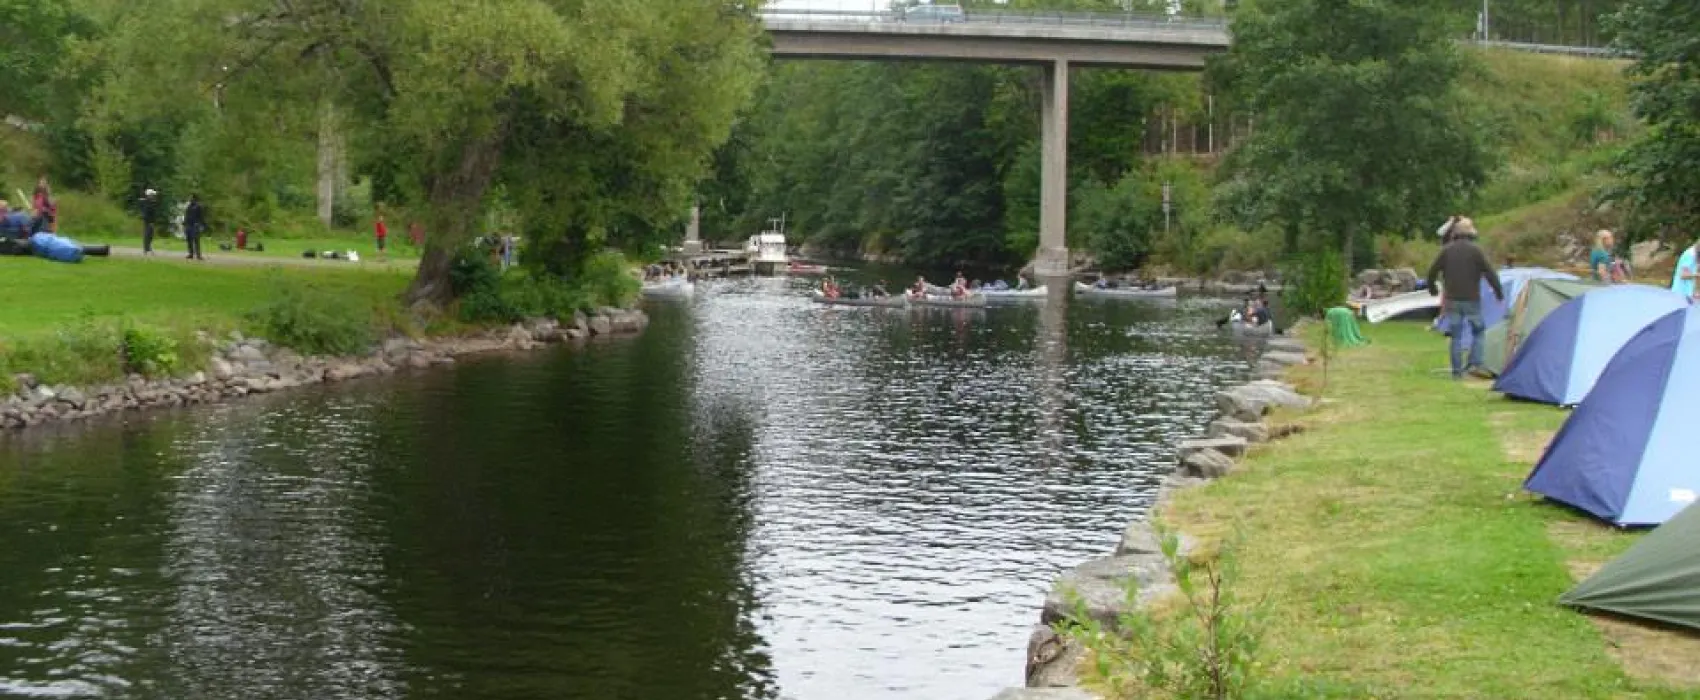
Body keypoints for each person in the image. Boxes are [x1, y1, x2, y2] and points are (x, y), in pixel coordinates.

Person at [1425, 219, 1505, 379]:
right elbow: (1490, 273)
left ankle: (1456, 373)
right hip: (1472, 300)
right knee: (1479, 331)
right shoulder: (1476, 251)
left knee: (1456, 336)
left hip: (1452, 300)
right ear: (1470, 235)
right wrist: (1499, 293)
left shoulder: (1446, 251)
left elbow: (1432, 271)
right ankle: (1475, 363)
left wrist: (1432, 289)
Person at [182, 194, 206, 260]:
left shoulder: (198, 206)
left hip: (195, 225)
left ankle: (198, 255)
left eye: (191, 198)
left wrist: (202, 225)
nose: (190, 199)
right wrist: (184, 223)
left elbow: (201, 216)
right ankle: (191, 254)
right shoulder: (189, 206)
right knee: (189, 240)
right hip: (188, 225)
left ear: (194, 198)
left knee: (196, 240)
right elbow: (186, 215)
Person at [139, 188, 160, 255]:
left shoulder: (150, 202)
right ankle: (146, 249)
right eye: (152, 195)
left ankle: (148, 248)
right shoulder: (147, 203)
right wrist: (150, 222)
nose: (153, 196)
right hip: (148, 221)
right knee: (147, 235)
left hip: (151, 221)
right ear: (149, 195)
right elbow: (147, 213)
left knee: (150, 236)